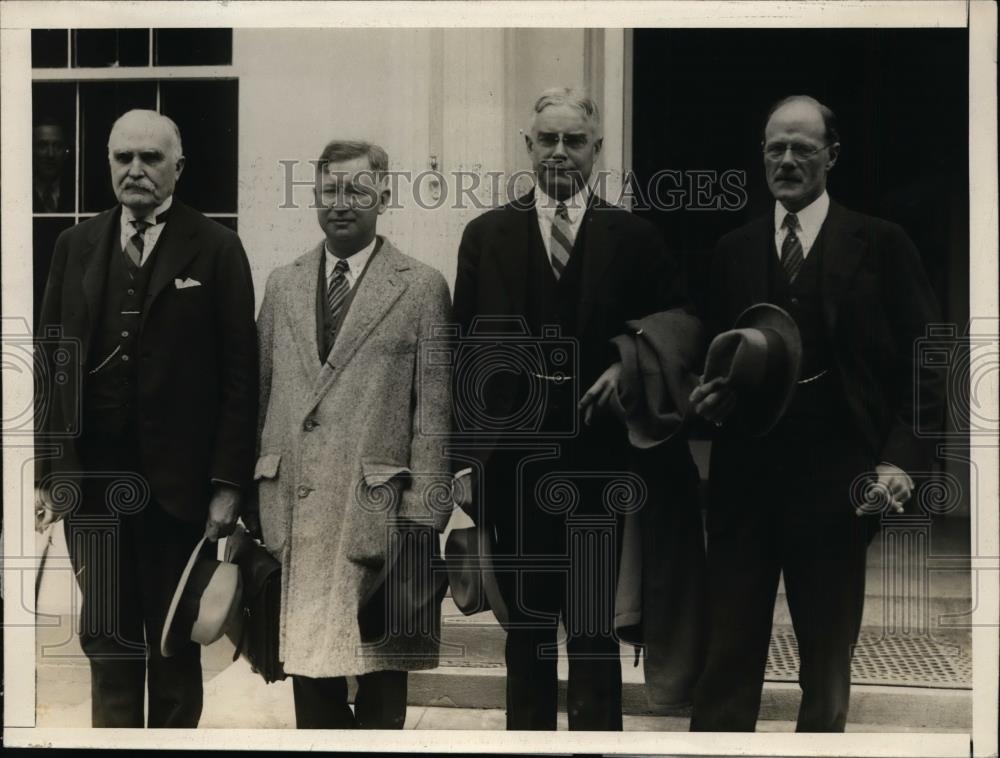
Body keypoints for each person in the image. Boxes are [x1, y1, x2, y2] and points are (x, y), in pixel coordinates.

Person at [688, 95, 944, 732]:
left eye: (803, 147)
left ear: (832, 155)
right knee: (726, 656)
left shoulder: (881, 244)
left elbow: (927, 361)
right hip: (744, 481)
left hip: (838, 479)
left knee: (827, 662)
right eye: (776, 147)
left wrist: (899, 458)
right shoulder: (732, 249)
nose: (787, 160)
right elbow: (710, 360)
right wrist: (707, 399)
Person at [452, 88, 696, 730]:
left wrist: (628, 360)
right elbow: (458, 348)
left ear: (597, 150)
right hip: (513, 468)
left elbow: (681, 323)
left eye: (575, 140)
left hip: (599, 467)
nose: (561, 152)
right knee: (526, 627)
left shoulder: (635, 235)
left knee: (593, 629)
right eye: (548, 139)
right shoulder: (486, 235)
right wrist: (461, 461)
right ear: (528, 147)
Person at [34, 109, 258, 727]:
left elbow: (242, 378)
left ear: (178, 168)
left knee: (172, 646)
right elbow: (55, 363)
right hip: (94, 492)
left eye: (151, 158)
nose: (136, 169)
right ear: (108, 163)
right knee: (107, 646)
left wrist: (228, 487)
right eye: (123, 157)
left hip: (180, 496)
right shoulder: (74, 245)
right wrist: (50, 473)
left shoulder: (216, 248)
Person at [249, 140, 452, 729]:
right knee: (311, 669)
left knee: (382, 668)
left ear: (383, 196)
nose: (343, 203)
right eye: (331, 190)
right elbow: (263, 394)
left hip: (378, 508)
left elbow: (433, 412)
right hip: (297, 502)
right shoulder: (283, 284)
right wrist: (255, 489)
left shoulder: (420, 286)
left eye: (358, 190)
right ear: (315, 196)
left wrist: (424, 518)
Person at [33, 117, 74, 213]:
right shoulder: (19, 192)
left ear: (65, 152)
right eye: (42, 146)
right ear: (32, 151)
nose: (50, 154)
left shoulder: (79, 195)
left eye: (57, 146)